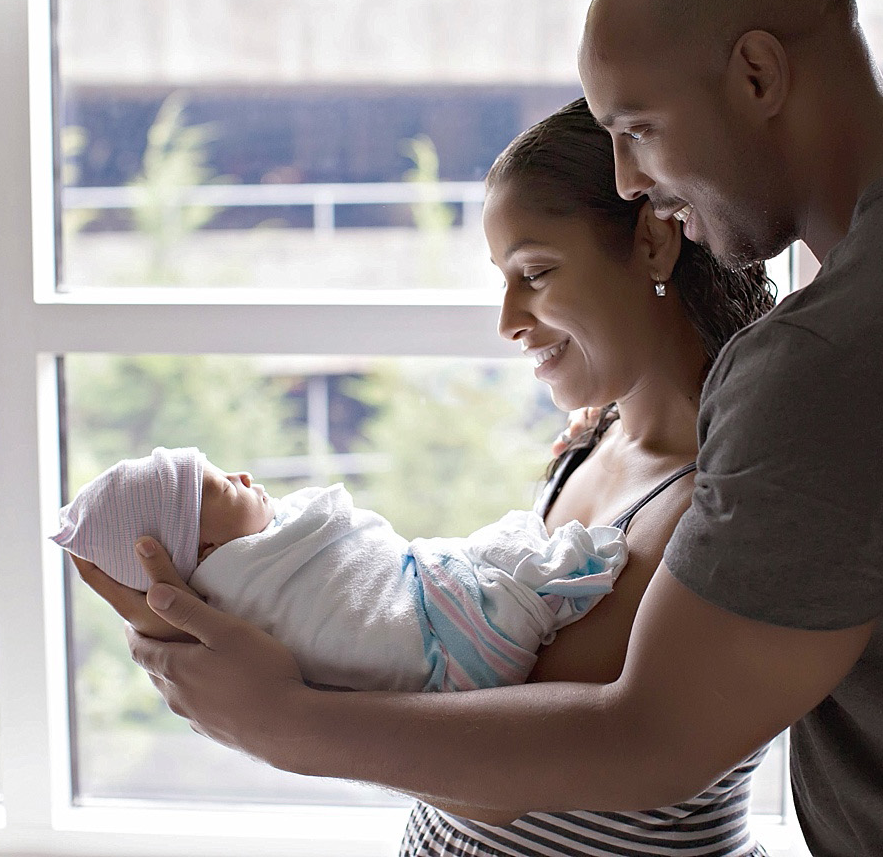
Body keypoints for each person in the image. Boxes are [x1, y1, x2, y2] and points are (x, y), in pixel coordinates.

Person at [103, 0, 883, 857]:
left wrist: (285, 723)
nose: (630, 179)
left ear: (756, 73)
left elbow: (647, 738)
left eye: (637, 128)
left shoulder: (826, 366)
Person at [73, 97, 779, 854]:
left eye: (536, 272)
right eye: (504, 278)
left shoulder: (724, 503)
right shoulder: (590, 441)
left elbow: (527, 778)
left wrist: (284, 723)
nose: (508, 319)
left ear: (652, 241)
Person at [54, 445, 630, 692]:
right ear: (202, 554)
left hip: (449, 656)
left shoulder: (254, 570)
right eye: (219, 485)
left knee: (494, 552)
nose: (245, 478)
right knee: (502, 558)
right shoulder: (247, 582)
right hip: (444, 633)